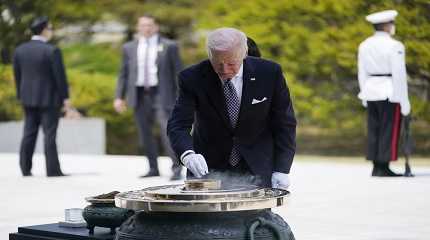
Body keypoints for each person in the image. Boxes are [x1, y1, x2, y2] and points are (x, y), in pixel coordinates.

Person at [167, 28, 296, 188]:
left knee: (256, 213)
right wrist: (188, 154)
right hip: (208, 166)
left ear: (245, 52)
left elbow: (284, 123)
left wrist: (282, 169)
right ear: (209, 54)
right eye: (218, 63)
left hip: (257, 164)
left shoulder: (270, 73)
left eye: (231, 63)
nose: (225, 70)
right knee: (204, 213)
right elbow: (178, 124)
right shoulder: (191, 77)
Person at [114, 15, 183, 180]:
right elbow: (123, 74)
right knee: (145, 133)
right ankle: (153, 168)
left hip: (162, 94)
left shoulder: (169, 46)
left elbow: (178, 73)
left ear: (156, 27)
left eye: (149, 25)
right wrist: (119, 97)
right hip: (139, 95)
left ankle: (176, 169)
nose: (146, 28)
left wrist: (183, 97)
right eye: (143, 25)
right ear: (138, 27)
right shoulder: (129, 47)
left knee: (168, 132)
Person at [13, 16, 70, 177]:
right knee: (49, 135)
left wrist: (21, 95)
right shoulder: (52, 50)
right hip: (49, 100)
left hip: (27, 99)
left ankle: (25, 169)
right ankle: (53, 170)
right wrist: (66, 98)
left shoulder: (20, 50)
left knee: (28, 133)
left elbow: (17, 76)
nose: (51, 32)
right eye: (50, 28)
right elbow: (60, 78)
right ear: (44, 30)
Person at [357, 10, 411, 177]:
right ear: (387, 25)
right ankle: (384, 166)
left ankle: (376, 166)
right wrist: (404, 100)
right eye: (392, 24)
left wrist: (363, 91)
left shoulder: (365, 44)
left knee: (374, 129)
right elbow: (399, 74)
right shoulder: (395, 45)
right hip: (389, 90)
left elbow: (361, 71)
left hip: (370, 89)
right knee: (389, 129)